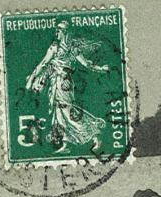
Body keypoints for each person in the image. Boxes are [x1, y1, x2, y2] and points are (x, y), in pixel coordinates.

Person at [26, 22, 110, 153]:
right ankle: (65, 144)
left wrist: (101, 69)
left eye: (59, 30)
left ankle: (94, 134)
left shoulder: (72, 47)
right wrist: (32, 78)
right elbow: (43, 63)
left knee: (67, 110)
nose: (56, 33)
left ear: (65, 32)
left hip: (64, 83)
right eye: (57, 30)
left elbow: (86, 64)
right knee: (58, 112)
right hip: (55, 82)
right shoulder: (55, 46)